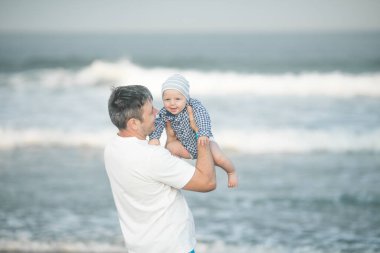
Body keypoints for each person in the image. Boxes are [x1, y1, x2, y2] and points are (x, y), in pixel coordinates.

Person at [104, 85, 216, 253]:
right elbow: (207, 182)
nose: (158, 113)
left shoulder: (112, 147)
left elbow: (153, 174)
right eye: (151, 112)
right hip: (172, 247)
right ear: (133, 123)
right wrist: (200, 133)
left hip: (140, 246)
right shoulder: (152, 157)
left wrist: (170, 141)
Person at [149, 74, 238, 188]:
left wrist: (202, 133)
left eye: (177, 99)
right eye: (167, 99)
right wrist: (154, 137)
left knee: (219, 159)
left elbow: (203, 117)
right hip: (186, 147)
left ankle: (231, 172)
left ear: (186, 98)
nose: (172, 103)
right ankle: (174, 171)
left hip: (204, 141)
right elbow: (158, 123)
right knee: (171, 148)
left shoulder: (194, 105)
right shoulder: (164, 112)